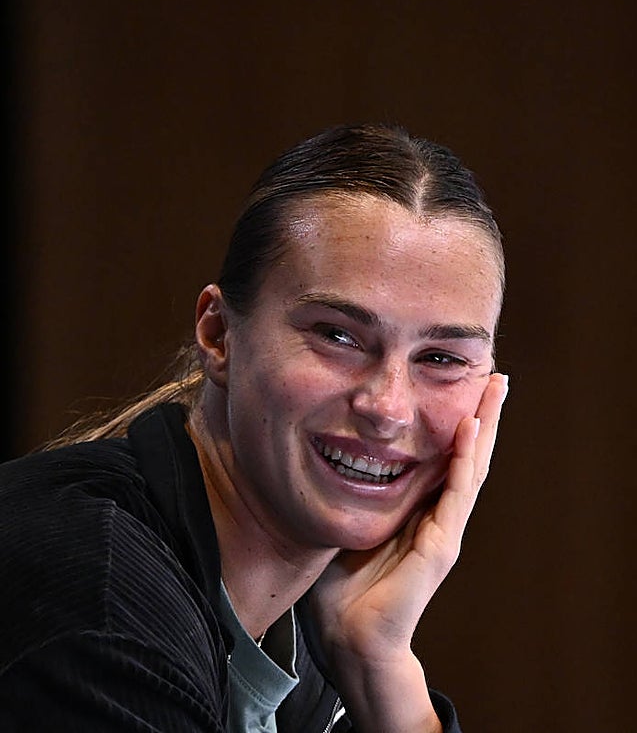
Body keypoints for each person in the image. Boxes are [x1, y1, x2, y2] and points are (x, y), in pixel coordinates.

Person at [0, 123, 510, 732]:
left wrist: (381, 673)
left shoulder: (309, 639)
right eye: (338, 336)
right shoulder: (99, 609)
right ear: (218, 336)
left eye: (442, 360)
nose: (389, 406)